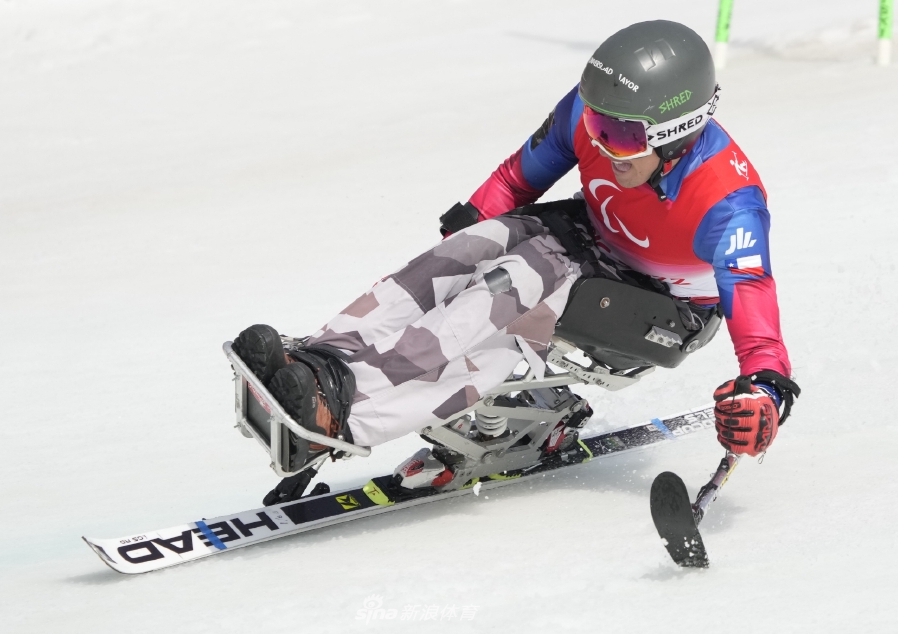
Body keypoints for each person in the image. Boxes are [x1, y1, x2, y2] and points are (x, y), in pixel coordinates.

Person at [232, 20, 800, 482]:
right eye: (597, 123)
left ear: (680, 132)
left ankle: (347, 413)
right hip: (592, 241)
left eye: (623, 135)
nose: (602, 145)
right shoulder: (588, 114)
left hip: (664, 312)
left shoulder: (729, 204)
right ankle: (320, 365)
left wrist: (766, 393)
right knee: (475, 248)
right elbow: (513, 180)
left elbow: (757, 317)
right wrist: (462, 247)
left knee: (518, 279)